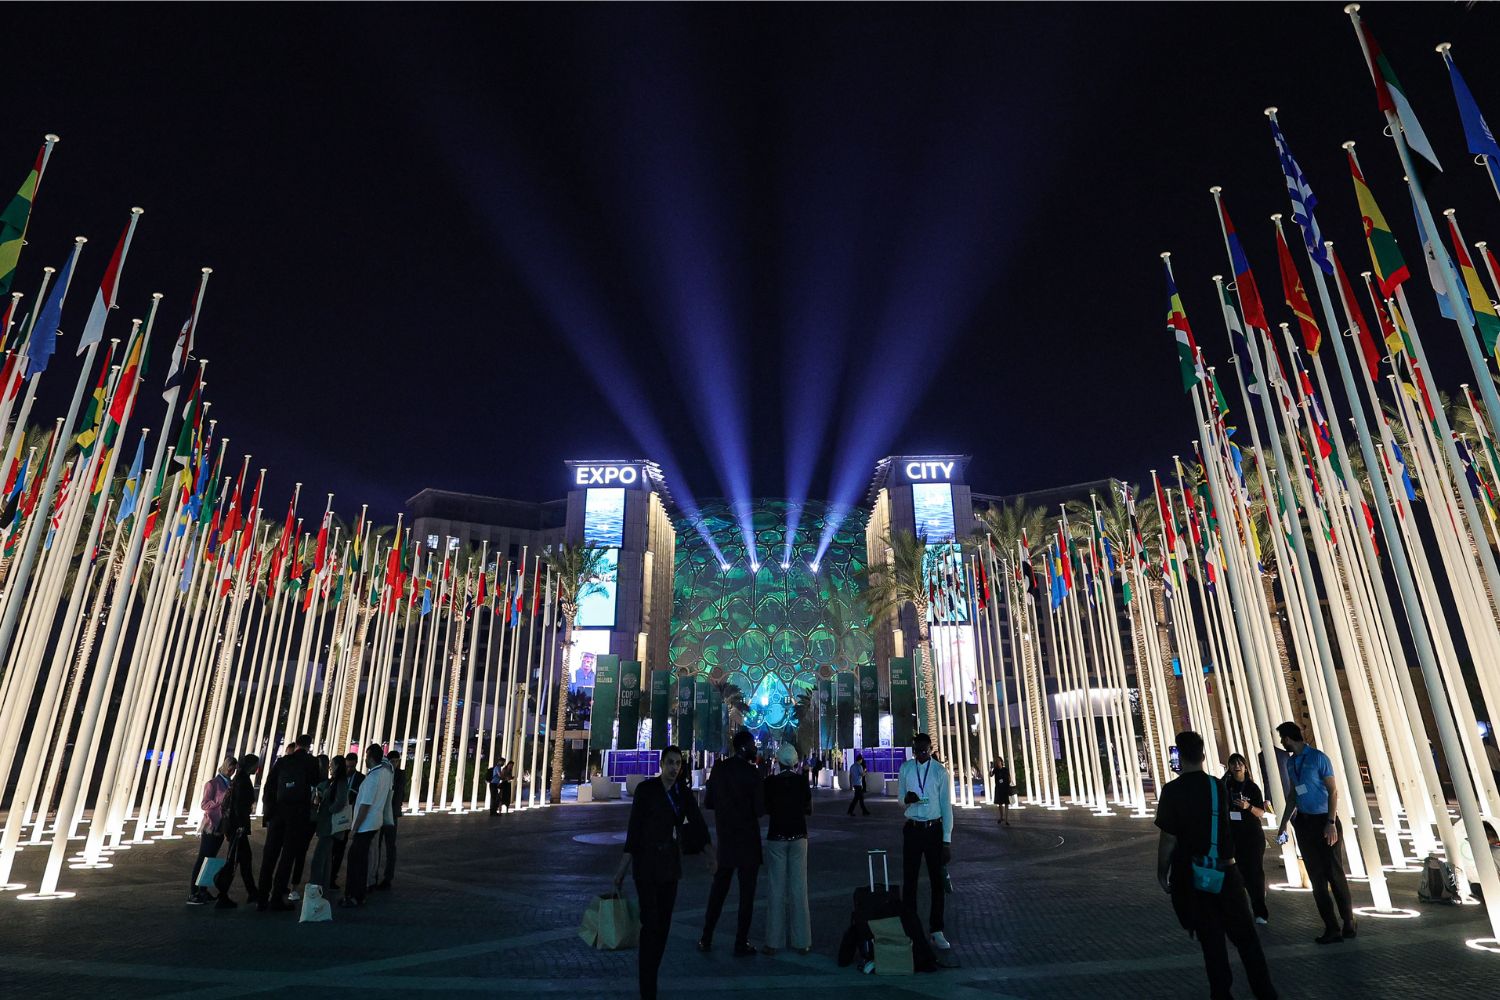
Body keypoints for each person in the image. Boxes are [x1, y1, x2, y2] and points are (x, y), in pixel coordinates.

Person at [1156, 731, 1277, 1000]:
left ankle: (1221, 994)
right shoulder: (1217, 786)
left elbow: (1168, 838)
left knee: (1212, 942)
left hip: (1194, 875)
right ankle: (1265, 992)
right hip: (1226, 871)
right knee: (1247, 940)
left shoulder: (1172, 791)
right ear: (1202, 754)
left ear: (1179, 755)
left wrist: (1162, 872)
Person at [614, 745, 713, 1000]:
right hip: (646, 864)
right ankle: (648, 986)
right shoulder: (647, 790)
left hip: (669, 864)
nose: (674, 768)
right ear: (661, 764)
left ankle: (651, 972)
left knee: (664, 925)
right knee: (651, 923)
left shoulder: (682, 793)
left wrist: (710, 854)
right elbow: (634, 830)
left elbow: (697, 823)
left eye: (678, 763)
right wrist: (622, 869)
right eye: (670, 763)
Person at [1274, 722, 1355, 944]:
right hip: (1304, 823)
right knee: (1316, 878)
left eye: (1283, 738)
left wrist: (1331, 821)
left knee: (1334, 874)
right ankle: (1331, 927)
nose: (1282, 742)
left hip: (1324, 821)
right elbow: (1293, 795)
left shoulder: (1318, 758)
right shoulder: (1291, 763)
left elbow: (1333, 791)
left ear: (1290, 737)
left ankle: (1348, 921)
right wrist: (1283, 825)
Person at [698, 729, 766, 955]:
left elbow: (708, 803)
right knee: (747, 896)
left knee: (718, 892)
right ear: (745, 748)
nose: (756, 749)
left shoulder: (719, 769)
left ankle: (706, 937)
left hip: (726, 840)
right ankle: (740, 942)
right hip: (748, 841)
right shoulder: (752, 773)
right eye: (753, 745)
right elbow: (759, 810)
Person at [899, 733, 954, 951]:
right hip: (912, 829)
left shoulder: (940, 772)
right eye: (916, 751)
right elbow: (899, 798)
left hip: (933, 829)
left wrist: (947, 840)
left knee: (936, 881)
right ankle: (910, 928)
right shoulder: (906, 769)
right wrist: (906, 799)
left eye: (924, 750)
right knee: (909, 880)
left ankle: (936, 929)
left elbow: (946, 806)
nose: (920, 754)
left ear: (931, 749)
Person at [257, 734, 323, 912]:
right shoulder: (311, 762)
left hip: (277, 814)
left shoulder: (282, 761)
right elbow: (316, 782)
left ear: (296, 745)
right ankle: (277, 897)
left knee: (269, 855)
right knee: (287, 857)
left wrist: (269, 812)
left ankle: (262, 897)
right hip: (296, 816)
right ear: (309, 745)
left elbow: (268, 787)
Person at [762, 743, 812, 956]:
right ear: (794, 762)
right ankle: (803, 942)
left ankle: (773, 942)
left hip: (777, 836)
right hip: (799, 835)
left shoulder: (770, 782)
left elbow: (765, 808)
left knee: (776, 888)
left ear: (778, 761)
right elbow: (807, 808)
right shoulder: (802, 782)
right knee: (799, 889)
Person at [343, 743, 393, 908]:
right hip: (374, 823)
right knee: (362, 860)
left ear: (370, 757)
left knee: (355, 861)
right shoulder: (385, 773)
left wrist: (355, 827)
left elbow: (365, 805)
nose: (364, 759)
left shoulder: (373, 778)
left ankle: (354, 895)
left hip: (365, 825)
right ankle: (360, 893)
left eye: (366, 756)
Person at [1224, 753, 1270, 924]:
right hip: (1233, 835)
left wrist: (1247, 806)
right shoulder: (1225, 786)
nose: (1237, 766)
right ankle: (1239, 910)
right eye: (1233, 763)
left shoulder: (1252, 788)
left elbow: (1261, 813)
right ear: (1229, 767)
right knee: (1237, 873)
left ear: (1245, 766)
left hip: (1251, 835)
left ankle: (1260, 912)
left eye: (1240, 763)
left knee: (1255, 873)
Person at [188, 753, 236, 904]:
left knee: (211, 859)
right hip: (211, 825)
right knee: (203, 857)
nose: (231, 772)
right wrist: (220, 802)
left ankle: (203, 889)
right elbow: (204, 804)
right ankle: (194, 891)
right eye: (230, 769)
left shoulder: (230, 783)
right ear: (225, 767)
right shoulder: (213, 783)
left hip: (221, 826)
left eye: (233, 770)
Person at [214, 753, 261, 908]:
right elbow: (239, 807)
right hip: (238, 828)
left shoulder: (239, 779)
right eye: (256, 765)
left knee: (242, 859)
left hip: (236, 827)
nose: (257, 768)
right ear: (251, 766)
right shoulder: (243, 781)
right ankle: (224, 894)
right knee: (235, 860)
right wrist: (240, 826)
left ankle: (252, 892)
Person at [309, 754, 351, 891]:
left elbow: (340, 801)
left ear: (337, 766)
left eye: (332, 764)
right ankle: (323, 884)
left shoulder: (340, 782)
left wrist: (328, 809)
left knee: (319, 857)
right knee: (325, 857)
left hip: (330, 825)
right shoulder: (332, 781)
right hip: (327, 824)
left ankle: (315, 885)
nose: (330, 767)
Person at [377, 749, 405, 890]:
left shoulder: (400, 775)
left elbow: (400, 794)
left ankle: (388, 877)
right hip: (380, 812)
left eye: (396, 761)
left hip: (391, 814)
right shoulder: (384, 774)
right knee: (377, 845)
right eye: (392, 761)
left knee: (390, 846)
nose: (394, 764)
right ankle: (374, 875)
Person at [991, 757, 1013, 827]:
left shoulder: (1005, 769)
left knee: (1006, 803)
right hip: (998, 788)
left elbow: (1009, 778)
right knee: (1000, 804)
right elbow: (991, 775)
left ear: (1001, 762)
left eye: (998, 761)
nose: (997, 763)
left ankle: (1006, 819)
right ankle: (1001, 817)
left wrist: (1009, 783)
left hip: (1005, 787)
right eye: (996, 761)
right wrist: (990, 768)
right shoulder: (995, 770)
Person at [847, 752, 870, 817]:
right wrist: (865, 771)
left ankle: (864, 811)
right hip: (859, 785)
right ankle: (851, 811)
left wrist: (851, 784)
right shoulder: (859, 766)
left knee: (860, 799)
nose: (862, 761)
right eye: (861, 760)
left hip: (855, 784)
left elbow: (850, 776)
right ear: (860, 760)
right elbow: (862, 774)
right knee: (857, 799)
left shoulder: (852, 766)